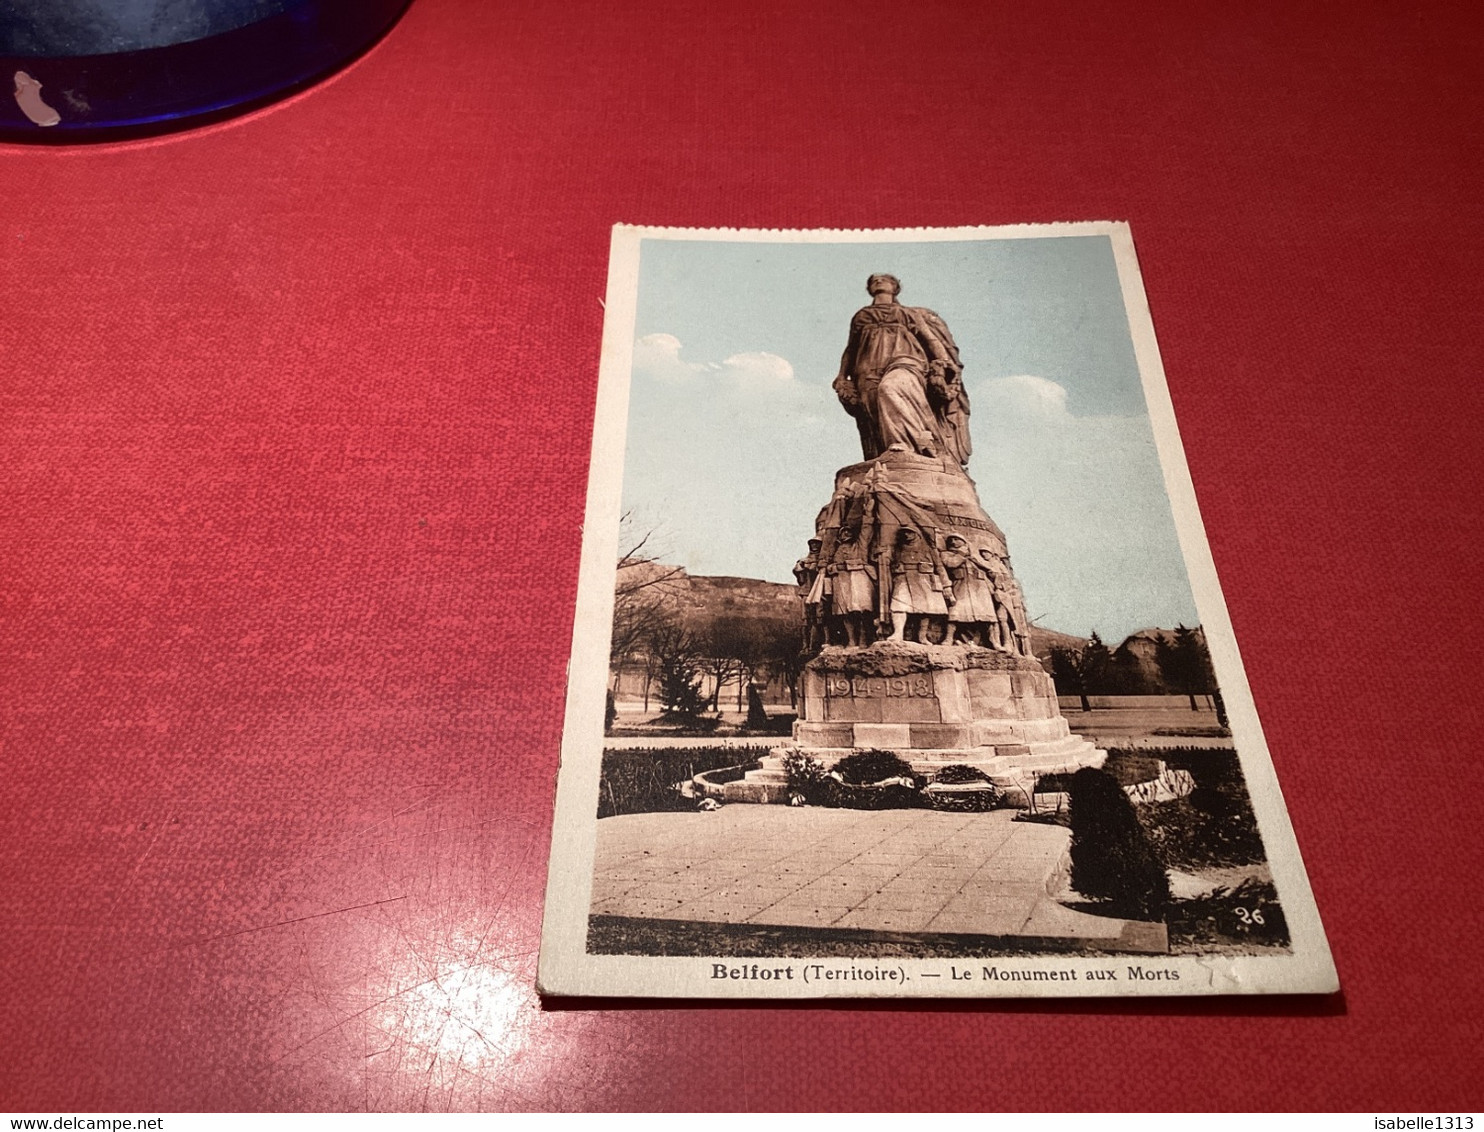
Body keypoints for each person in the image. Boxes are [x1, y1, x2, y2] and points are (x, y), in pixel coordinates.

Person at [833, 275, 969, 465]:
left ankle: (915, 443)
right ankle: (892, 456)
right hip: (867, 369)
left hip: (906, 360)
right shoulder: (861, 316)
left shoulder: (907, 313)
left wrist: (944, 362)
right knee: (874, 416)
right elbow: (851, 349)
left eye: (885, 279)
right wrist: (841, 375)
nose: (879, 281)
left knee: (890, 388)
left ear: (895, 288)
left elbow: (930, 339)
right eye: (875, 280)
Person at [887, 527, 948, 643]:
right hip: (903, 579)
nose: (907, 535)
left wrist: (946, 585)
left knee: (925, 608)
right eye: (904, 533)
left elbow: (940, 567)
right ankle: (898, 633)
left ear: (917, 534)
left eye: (910, 532)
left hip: (923, 580)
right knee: (898, 606)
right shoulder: (898, 549)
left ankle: (922, 636)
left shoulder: (928, 549)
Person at [940, 534, 996, 645]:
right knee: (955, 613)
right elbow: (950, 564)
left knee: (986, 615)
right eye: (951, 540)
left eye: (957, 539)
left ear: (964, 542)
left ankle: (993, 641)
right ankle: (949, 638)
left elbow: (990, 568)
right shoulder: (946, 554)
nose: (953, 542)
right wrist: (962, 554)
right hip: (961, 585)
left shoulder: (975, 556)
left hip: (979, 588)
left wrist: (975, 559)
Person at [826, 525, 877, 647]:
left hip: (858, 581)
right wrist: (833, 568)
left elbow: (866, 529)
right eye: (844, 532)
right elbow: (829, 566)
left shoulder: (859, 546)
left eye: (849, 532)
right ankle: (851, 640)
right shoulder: (836, 549)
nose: (847, 534)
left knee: (861, 611)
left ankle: (863, 639)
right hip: (841, 582)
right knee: (845, 612)